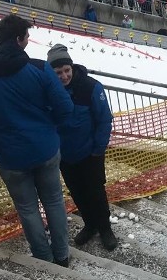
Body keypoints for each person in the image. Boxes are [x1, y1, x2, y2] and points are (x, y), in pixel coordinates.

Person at [0, 15, 73, 266]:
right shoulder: (38, 68)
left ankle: (42, 259)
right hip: (45, 149)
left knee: (27, 209)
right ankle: (62, 255)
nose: (27, 40)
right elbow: (65, 107)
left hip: (10, 156)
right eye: (26, 35)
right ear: (18, 39)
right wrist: (46, 125)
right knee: (54, 200)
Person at [46, 45, 117, 250]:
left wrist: (98, 149)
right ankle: (90, 224)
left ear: (72, 67)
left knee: (95, 191)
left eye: (66, 70)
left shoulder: (90, 87)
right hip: (65, 155)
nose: (64, 76)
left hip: (90, 152)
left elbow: (104, 120)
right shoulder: (48, 91)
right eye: (58, 72)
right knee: (77, 191)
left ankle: (105, 228)